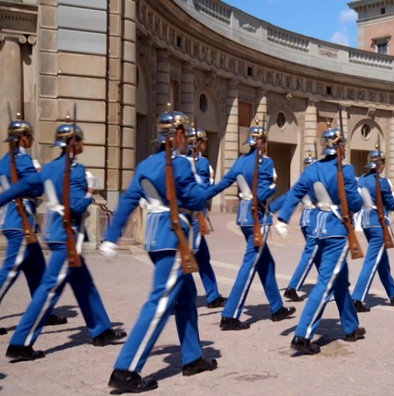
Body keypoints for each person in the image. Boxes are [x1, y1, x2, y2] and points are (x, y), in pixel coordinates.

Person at [99, 110, 233, 392]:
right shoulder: (180, 165)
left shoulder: (147, 164)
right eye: (185, 134)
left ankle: (192, 356)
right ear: (179, 135)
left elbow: (128, 202)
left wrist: (112, 236)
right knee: (159, 304)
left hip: (156, 236)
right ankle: (126, 369)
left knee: (184, 298)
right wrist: (224, 181)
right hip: (175, 238)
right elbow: (196, 199)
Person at [2, 117, 126, 361]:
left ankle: (101, 329)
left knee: (83, 283)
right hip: (66, 235)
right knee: (49, 289)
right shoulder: (77, 172)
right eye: (79, 140)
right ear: (73, 143)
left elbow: (24, 186)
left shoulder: (48, 168)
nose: (82, 144)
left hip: (54, 230)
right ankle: (21, 341)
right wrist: (91, 193)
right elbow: (76, 205)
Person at [274, 126, 365, 355]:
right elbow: (354, 204)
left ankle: (350, 327)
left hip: (317, 228)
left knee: (340, 279)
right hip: (336, 229)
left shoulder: (313, 169)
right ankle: (303, 334)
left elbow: (295, 192)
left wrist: (283, 217)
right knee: (325, 283)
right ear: (340, 147)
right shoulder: (345, 170)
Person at [218, 124, 295, 331]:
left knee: (266, 263)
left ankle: (277, 307)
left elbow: (224, 183)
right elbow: (262, 195)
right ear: (263, 142)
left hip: (243, 217)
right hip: (258, 218)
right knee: (250, 264)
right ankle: (230, 314)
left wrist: (202, 196)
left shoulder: (241, 160)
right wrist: (274, 187)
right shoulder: (266, 162)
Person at [0, 114, 66, 336]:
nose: (33, 139)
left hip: (14, 218)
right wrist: (40, 174)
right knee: (8, 272)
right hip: (20, 220)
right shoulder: (25, 160)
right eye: (30, 136)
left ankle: (44, 312)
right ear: (23, 138)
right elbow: (35, 189)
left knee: (38, 270)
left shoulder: (5, 160)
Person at [351, 148, 394, 312]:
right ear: (380, 164)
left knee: (382, 261)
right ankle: (357, 298)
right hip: (378, 223)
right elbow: (391, 204)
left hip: (366, 223)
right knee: (372, 262)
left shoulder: (361, 180)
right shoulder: (382, 182)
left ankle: (393, 293)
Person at [269, 152, 319, 302]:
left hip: (305, 219)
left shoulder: (302, 181)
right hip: (314, 218)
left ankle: (332, 279)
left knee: (317, 252)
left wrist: (271, 208)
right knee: (311, 253)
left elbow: (288, 197)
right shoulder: (315, 181)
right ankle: (293, 287)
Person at [187, 127, 227, 309]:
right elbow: (204, 187)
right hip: (195, 214)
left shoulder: (180, 161)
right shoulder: (201, 163)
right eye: (203, 142)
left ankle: (213, 295)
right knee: (190, 255)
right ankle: (179, 296)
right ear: (198, 143)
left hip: (190, 213)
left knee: (203, 256)